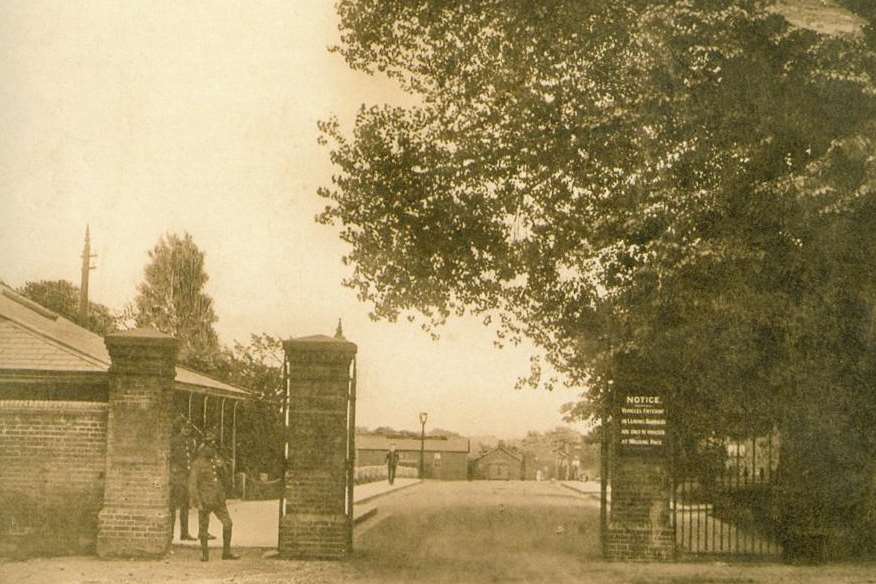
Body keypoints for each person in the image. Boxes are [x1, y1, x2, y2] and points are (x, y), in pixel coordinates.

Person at [189, 435, 238, 561]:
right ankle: (205, 555)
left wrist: (222, 467)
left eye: (213, 446)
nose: (213, 449)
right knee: (203, 529)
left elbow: (226, 478)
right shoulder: (197, 464)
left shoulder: (215, 461)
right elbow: (193, 485)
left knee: (228, 524)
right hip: (205, 501)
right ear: (203, 448)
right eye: (210, 446)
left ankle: (226, 553)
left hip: (218, 499)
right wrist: (197, 502)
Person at [170, 420, 197, 541]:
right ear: (181, 428)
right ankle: (169, 534)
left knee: (185, 506)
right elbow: (170, 457)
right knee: (173, 506)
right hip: (177, 477)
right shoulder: (174, 441)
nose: (187, 430)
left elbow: (192, 457)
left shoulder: (191, 442)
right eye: (185, 428)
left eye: (189, 428)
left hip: (187, 477)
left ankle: (184, 533)